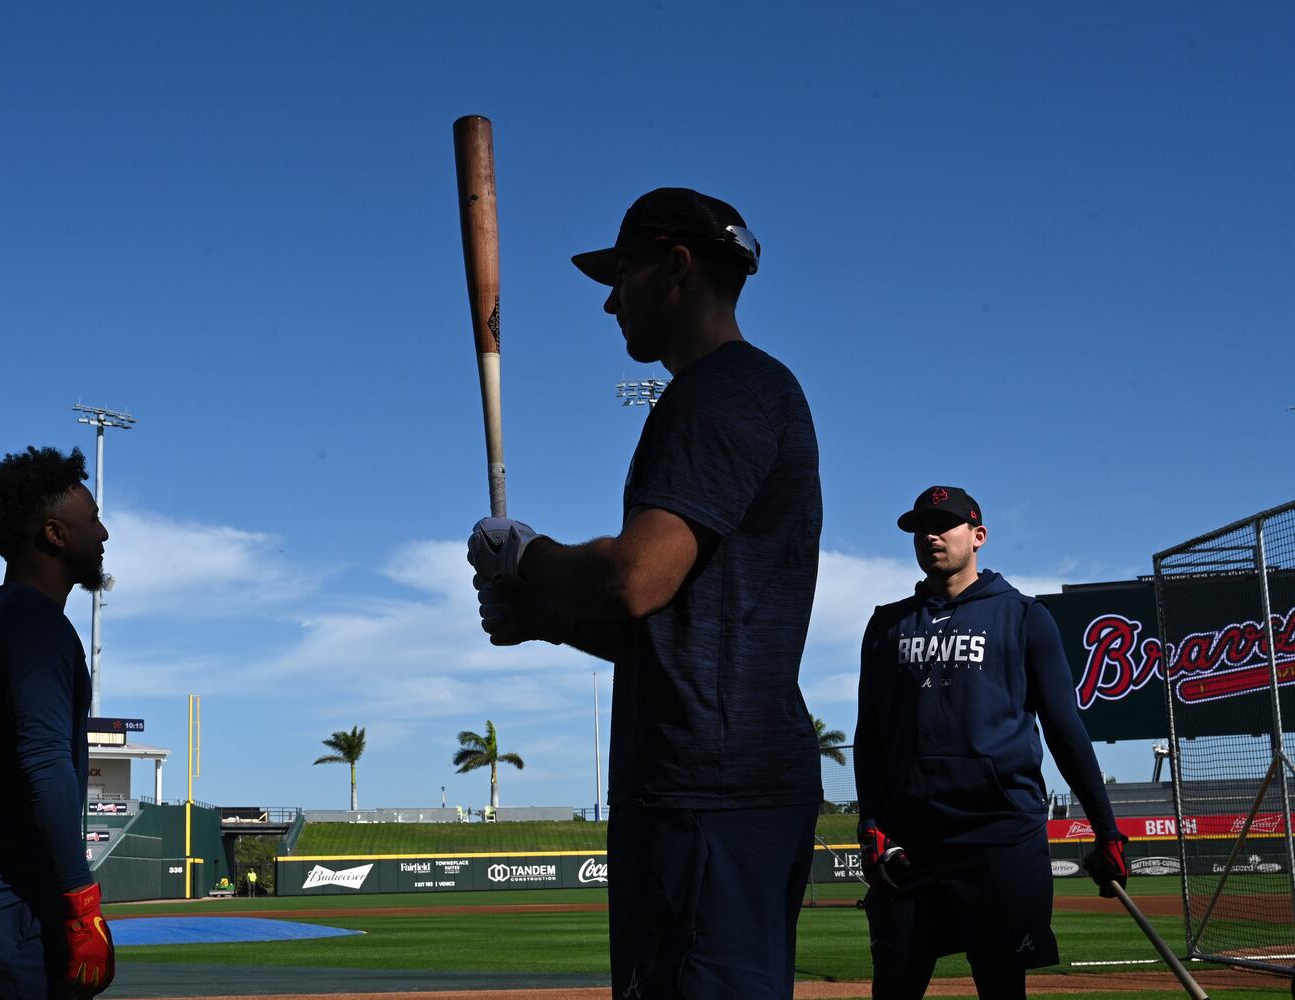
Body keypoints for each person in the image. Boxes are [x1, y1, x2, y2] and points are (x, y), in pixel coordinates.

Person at [467, 188, 823, 998]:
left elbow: (634, 578)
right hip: (717, 784)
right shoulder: (741, 392)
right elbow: (679, 622)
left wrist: (525, 556)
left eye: (621, 273)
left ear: (677, 267)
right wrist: (548, 621)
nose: (607, 300)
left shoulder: (718, 393)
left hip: (710, 790)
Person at [853, 485, 1129, 1000]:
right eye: (920, 528)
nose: (930, 534)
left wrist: (1106, 829)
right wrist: (870, 821)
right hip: (911, 841)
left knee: (1002, 988)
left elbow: (1065, 729)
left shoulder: (1024, 616)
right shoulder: (885, 624)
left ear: (978, 536)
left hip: (999, 836)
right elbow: (869, 734)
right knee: (894, 986)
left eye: (944, 524)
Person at [0, 446, 115, 999]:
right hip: (0, 890)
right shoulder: (36, 628)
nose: (103, 535)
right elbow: (45, 762)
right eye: (93, 520)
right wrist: (81, 901)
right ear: (55, 535)